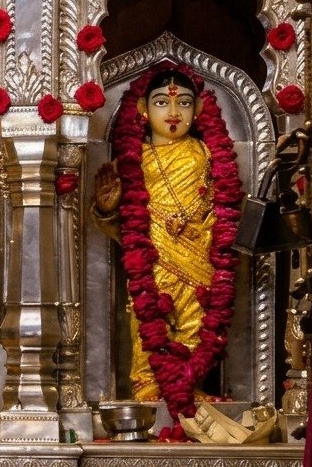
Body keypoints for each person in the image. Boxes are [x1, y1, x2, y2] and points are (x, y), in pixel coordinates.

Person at [92, 63, 242, 418]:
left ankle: (188, 386)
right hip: (153, 262)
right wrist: (107, 208)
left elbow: (222, 209)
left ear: (199, 110)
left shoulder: (205, 155)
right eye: (161, 103)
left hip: (199, 259)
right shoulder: (134, 161)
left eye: (184, 104)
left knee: (197, 325)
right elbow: (123, 231)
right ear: (144, 110)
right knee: (147, 322)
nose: (173, 113)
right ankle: (147, 388)